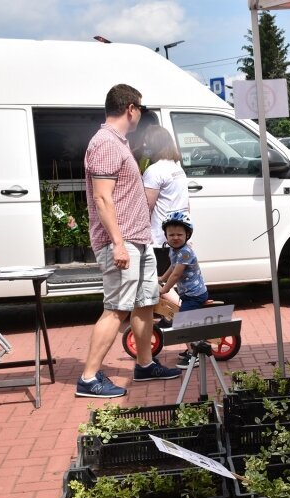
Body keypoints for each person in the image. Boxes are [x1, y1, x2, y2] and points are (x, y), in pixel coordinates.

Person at [76, 84, 181, 398]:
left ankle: (145, 364)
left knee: (145, 303)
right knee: (116, 309)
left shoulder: (117, 143)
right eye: (140, 108)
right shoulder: (106, 143)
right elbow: (102, 198)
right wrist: (118, 243)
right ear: (131, 108)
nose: (140, 114)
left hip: (138, 240)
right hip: (122, 243)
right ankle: (89, 377)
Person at [157, 211, 209, 369]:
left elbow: (177, 274)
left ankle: (195, 355)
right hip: (187, 294)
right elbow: (172, 267)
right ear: (166, 235)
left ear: (187, 235)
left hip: (195, 295)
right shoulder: (174, 250)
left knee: (183, 323)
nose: (175, 237)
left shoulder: (185, 252)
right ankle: (191, 349)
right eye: (171, 234)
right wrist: (161, 278)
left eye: (179, 234)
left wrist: (164, 289)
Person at [141, 124, 190, 288]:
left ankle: (175, 312)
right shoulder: (177, 168)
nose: (144, 147)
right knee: (174, 282)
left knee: (162, 284)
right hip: (177, 234)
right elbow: (186, 204)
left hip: (160, 238)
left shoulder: (154, 171)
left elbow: (146, 206)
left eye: (147, 143)